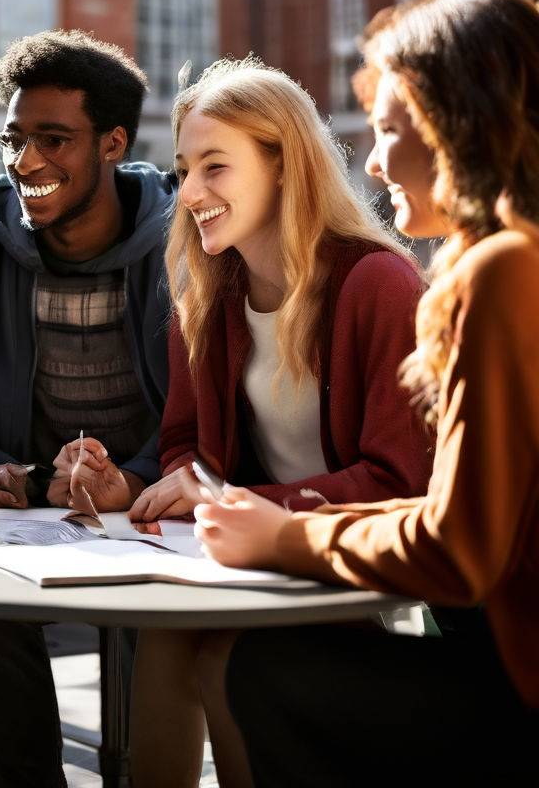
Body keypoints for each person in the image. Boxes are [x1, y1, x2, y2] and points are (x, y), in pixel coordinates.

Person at [198, 0, 539, 787]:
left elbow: (460, 553)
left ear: (463, 124)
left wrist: (286, 536)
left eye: (392, 129)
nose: (375, 159)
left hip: (520, 698)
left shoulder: (501, 271)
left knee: (268, 672)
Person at [126, 55, 434, 787]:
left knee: (222, 655)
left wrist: (238, 505)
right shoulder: (206, 297)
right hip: (252, 558)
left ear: (283, 165)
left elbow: (405, 479)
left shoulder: (378, 284)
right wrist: (172, 487)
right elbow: (183, 446)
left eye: (214, 168)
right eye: (183, 169)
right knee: (163, 638)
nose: (189, 192)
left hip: (346, 560)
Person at [0, 30, 175, 787]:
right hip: (28, 513)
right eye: (14, 139)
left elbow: (207, 420)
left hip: (154, 502)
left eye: (53, 139)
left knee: (154, 626)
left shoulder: (185, 253)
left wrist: (129, 481)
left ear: (112, 143)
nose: (25, 161)